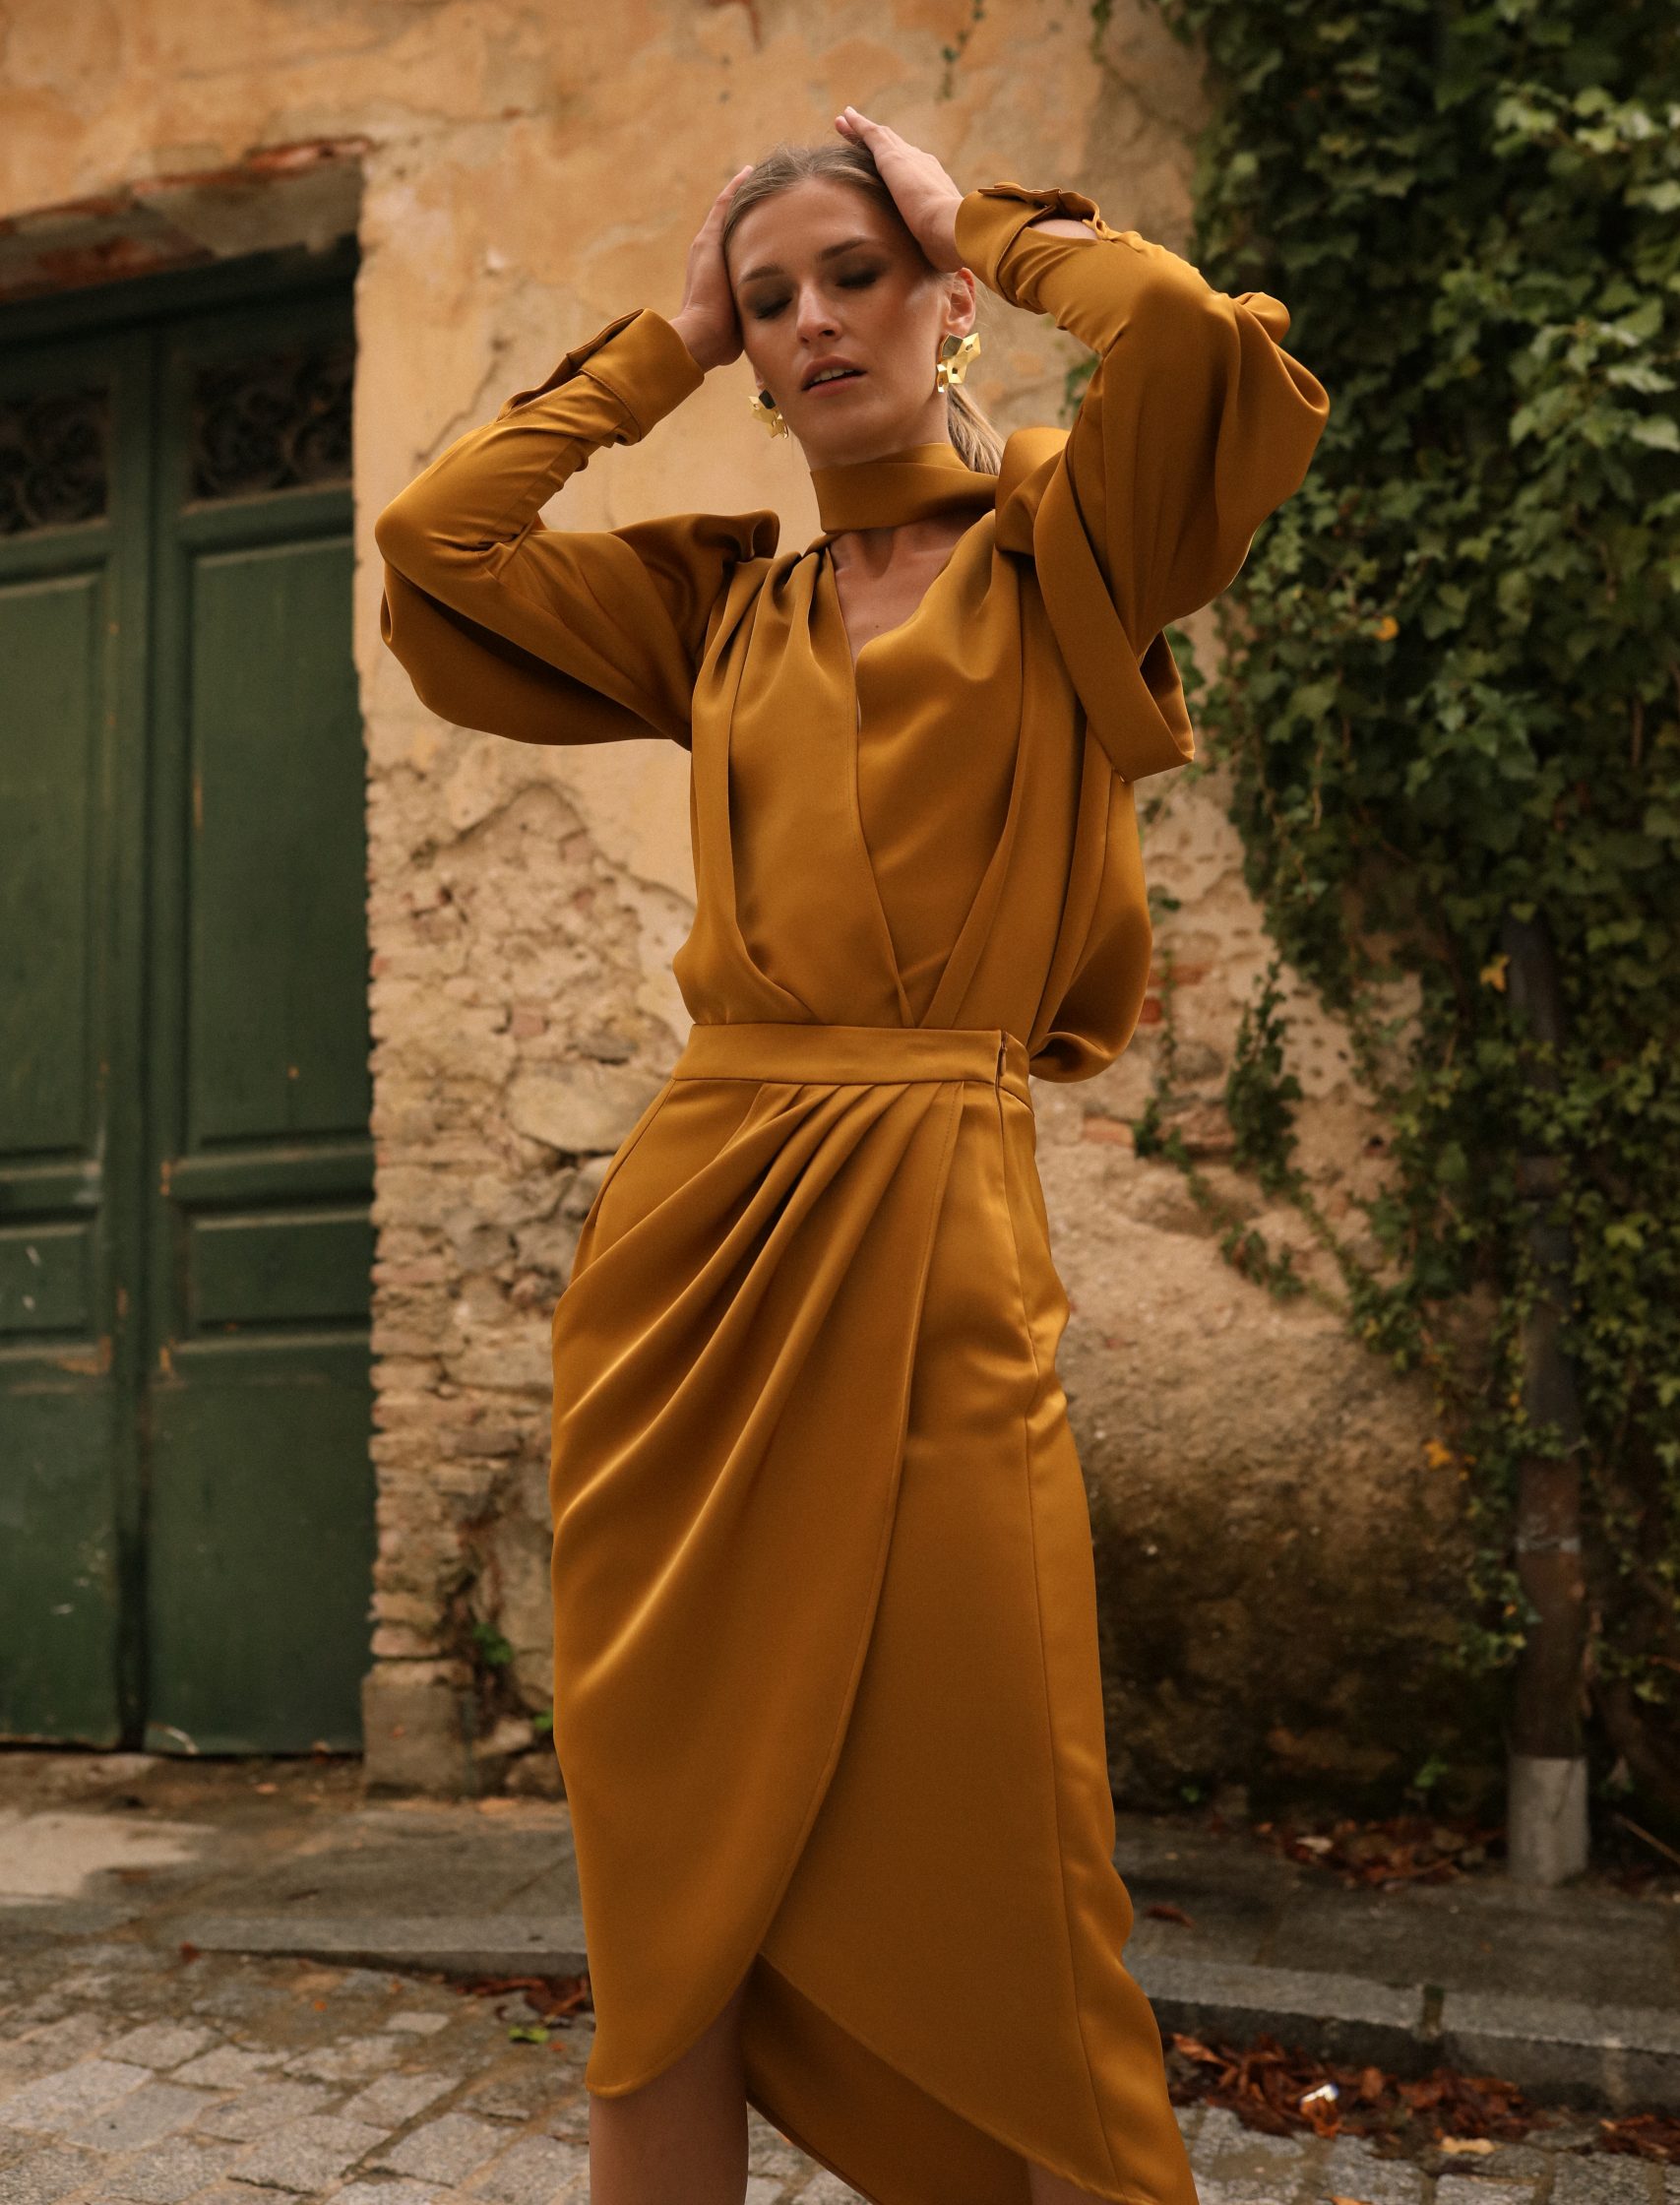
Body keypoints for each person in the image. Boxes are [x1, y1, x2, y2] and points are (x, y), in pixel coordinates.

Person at [374, 105, 1331, 2205]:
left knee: (1013, 1836)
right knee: (666, 1899)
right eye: (772, 299)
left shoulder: (1071, 548)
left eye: (856, 273)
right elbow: (439, 540)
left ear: (941, 300)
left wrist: (974, 211)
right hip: (688, 1268)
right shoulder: (719, 611)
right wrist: (663, 341)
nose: (813, 320)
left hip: (941, 1231)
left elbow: (1188, 341)